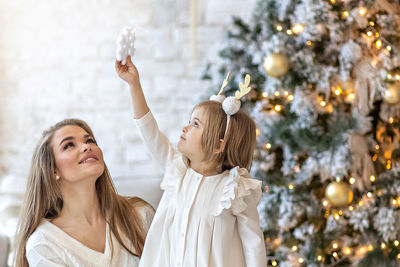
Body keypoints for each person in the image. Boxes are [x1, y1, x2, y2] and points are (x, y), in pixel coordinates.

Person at [116, 56, 266, 267]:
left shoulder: (235, 189)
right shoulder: (176, 169)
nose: (185, 128)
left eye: (195, 124)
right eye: (189, 121)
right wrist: (134, 84)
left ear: (217, 145)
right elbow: (149, 131)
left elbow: (254, 245)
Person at [14, 118, 154, 267]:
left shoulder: (140, 214)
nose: (87, 147)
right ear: (53, 170)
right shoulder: (44, 243)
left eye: (90, 141)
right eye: (68, 145)